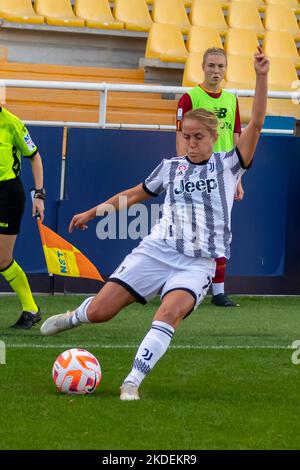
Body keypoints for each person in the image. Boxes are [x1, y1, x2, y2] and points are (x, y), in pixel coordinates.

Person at [40, 47, 269, 401]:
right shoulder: (170, 167)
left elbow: (255, 124)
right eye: (187, 136)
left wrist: (262, 76)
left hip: (197, 263)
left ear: (213, 137)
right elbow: (132, 195)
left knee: (168, 312)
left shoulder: (228, 165)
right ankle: (74, 317)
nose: (191, 143)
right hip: (157, 251)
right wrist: (91, 212)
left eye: (198, 137)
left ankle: (131, 382)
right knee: (101, 312)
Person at [176, 47, 243, 307]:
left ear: (226, 69)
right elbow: (181, 137)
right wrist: (184, 171)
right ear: (202, 67)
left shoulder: (232, 100)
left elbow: (237, 139)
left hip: (225, 175)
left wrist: (238, 178)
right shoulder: (189, 98)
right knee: (191, 228)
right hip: (197, 173)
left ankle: (218, 291)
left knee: (221, 231)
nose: (216, 71)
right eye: (211, 65)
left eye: (221, 66)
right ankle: (183, 285)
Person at [0, 106, 45, 329]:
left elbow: (34, 157)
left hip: (7, 196)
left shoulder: (11, 123)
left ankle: (31, 309)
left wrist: (39, 195)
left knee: (2, 259)